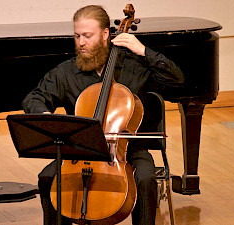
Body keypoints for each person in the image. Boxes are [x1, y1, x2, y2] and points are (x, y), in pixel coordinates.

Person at [22, 5, 184, 225]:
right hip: (79, 151)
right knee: (48, 177)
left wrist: (144, 51)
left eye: (87, 36)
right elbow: (34, 98)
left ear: (106, 34)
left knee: (146, 179)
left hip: (128, 151)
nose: (81, 42)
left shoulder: (133, 67)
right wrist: (44, 114)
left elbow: (176, 81)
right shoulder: (67, 72)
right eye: (77, 36)